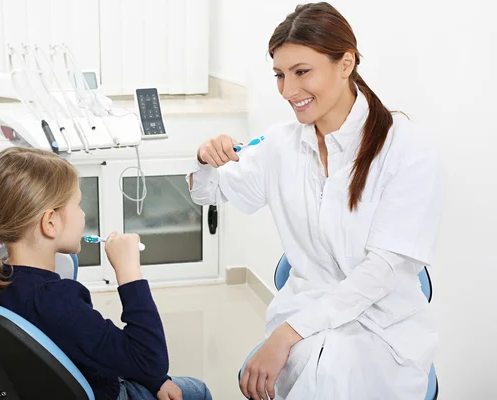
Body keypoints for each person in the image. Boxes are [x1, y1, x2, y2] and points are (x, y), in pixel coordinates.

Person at [188, 2, 443, 399]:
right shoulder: (280, 145)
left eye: (302, 72)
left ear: (346, 63)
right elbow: (211, 192)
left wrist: (287, 335)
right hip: (304, 312)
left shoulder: (408, 149)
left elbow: (382, 271)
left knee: (334, 378)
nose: (289, 91)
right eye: (279, 75)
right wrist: (205, 160)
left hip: (381, 323)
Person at [0, 147, 212, 400]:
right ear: (50, 223)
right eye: (78, 205)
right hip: (103, 392)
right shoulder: (56, 302)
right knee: (198, 391)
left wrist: (154, 380)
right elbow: (151, 360)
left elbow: (95, 348)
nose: (83, 214)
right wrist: (129, 272)